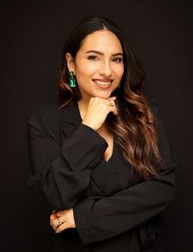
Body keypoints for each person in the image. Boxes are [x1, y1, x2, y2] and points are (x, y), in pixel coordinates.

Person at [27, 16, 177, 252]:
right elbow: (56, 193)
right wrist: (88, 128)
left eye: (116, 59)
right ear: (71, 63)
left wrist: (84, 217)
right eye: (93, 57)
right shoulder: (45, 121)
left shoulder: (143, 113)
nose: (107, 71)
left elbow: (163, 188)